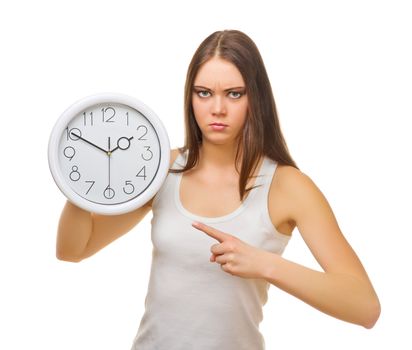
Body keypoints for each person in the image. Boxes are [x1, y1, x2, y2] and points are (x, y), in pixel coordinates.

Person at [56, 30, 381, 349]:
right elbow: (73, 250)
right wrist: (81, 180)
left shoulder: (287, 186)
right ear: (190, 97)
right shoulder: (161, 169)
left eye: (234, 93)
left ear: (256, 98)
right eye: (204, 93)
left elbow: (364, 307)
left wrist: (265, 264)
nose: (218, 109)